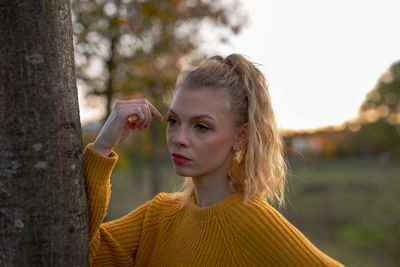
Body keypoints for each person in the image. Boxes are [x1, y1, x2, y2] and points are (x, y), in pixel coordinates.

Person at [84, 54, 344, 266]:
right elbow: (78, 251)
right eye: (173, 121)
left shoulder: (253, 222)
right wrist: (102, 147)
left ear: (241, 136)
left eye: (201, 127)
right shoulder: (158, 215)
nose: (179, 138)